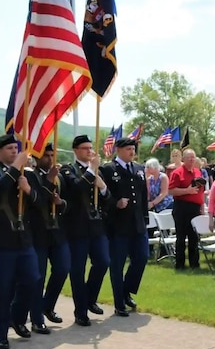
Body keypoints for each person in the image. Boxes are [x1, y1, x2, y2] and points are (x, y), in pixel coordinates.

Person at [0, 134, 41, 349]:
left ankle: (17, 317)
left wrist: (28, 190)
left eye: (16, 147)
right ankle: (1, 332)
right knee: (2, 289)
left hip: (24, 239)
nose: (14, 151)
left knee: (32, 280)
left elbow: (38, 203)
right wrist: (16, 167)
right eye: (10, 148)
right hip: (0, 241)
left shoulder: (25, 173)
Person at [61, 135, 112, 326]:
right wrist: (91, 170)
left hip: (96, 226)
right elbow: (75, 188)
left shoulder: (97, 171)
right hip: (77, 227)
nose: (90, 152)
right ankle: (80, 310)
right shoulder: (68, 170)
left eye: (91, 148)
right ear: (75, 150)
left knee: (103, 262)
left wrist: (104, 187)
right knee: (77, 270)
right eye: (85, 148)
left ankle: (90, 298)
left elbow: (108, 199)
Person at [100, 137, 150, 317]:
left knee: (142, 257)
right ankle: (119, 302)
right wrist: (115, 203)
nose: (132, 152)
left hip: (137, 223)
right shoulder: (108, 169)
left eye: (133, 149)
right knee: (117, 264)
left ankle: (126, 290)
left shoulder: (138, 169)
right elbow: (102, 196)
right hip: (118, 224)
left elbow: (143, 195)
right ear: (118, 150)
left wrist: (145, 218)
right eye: (128, 149)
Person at [26, 143, 67, 336]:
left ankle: (47, 305)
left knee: (62, 268)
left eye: (52, 154)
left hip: (56, 231)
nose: (50, 159)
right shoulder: (29, 175)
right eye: (46, 155)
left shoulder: (57, 176)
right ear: (36, 157)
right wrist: (49, 181)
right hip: (38, 231)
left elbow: (64, 203)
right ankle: (36, 319)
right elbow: (37, 200)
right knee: (38, 277)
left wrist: (60, 203)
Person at [168, 149, 206, 270]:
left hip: (195, 208)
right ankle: (180, 264)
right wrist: (187, 191)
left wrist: (201, 206)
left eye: (193, 157)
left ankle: (194, 264)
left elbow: (200, 192)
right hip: (181, 207)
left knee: (194, 237)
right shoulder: (177, 173)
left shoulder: (197, 172)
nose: (191, 159)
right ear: (183, 159)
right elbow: (171, 191)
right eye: (189, 157)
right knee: (181, 237)